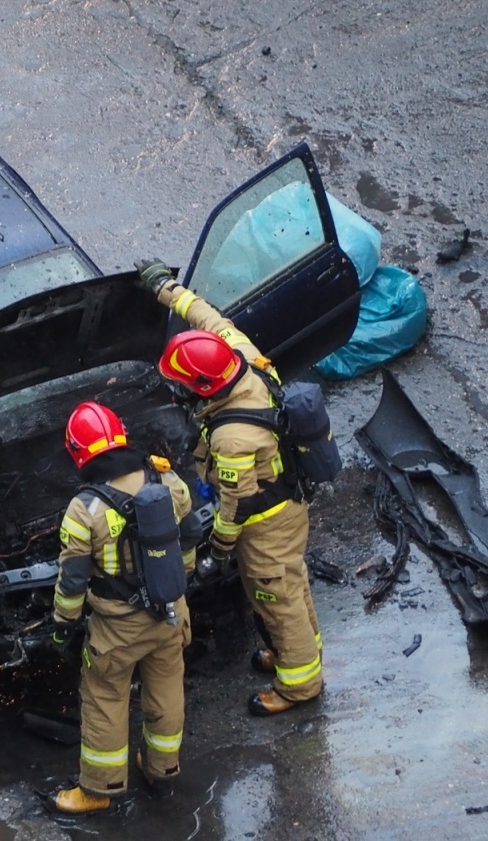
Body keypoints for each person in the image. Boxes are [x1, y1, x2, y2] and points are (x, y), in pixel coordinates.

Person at [137, 260, 324, 716]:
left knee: (276, 598)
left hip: (267, 523)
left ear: (205, 387)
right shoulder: (242, 355)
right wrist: (165, 288)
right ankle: (299, 652)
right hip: (288, 503)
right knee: (290, 585)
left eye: (183, 386)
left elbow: (234, 506)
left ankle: (300, 684)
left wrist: (218, 550)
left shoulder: (233, 438)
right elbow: (208, 316)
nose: (179, 393)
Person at [45, 401, 196, 817]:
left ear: (78, 452)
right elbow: (190, 532)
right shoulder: (165, 478)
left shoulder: (83, 509)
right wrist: (181, 579)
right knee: (166, 688)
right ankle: (162, 768)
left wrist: (63, 624)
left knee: (105, 699)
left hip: (117, 629)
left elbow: (73, 580)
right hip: (170, 613)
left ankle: (100, 788)